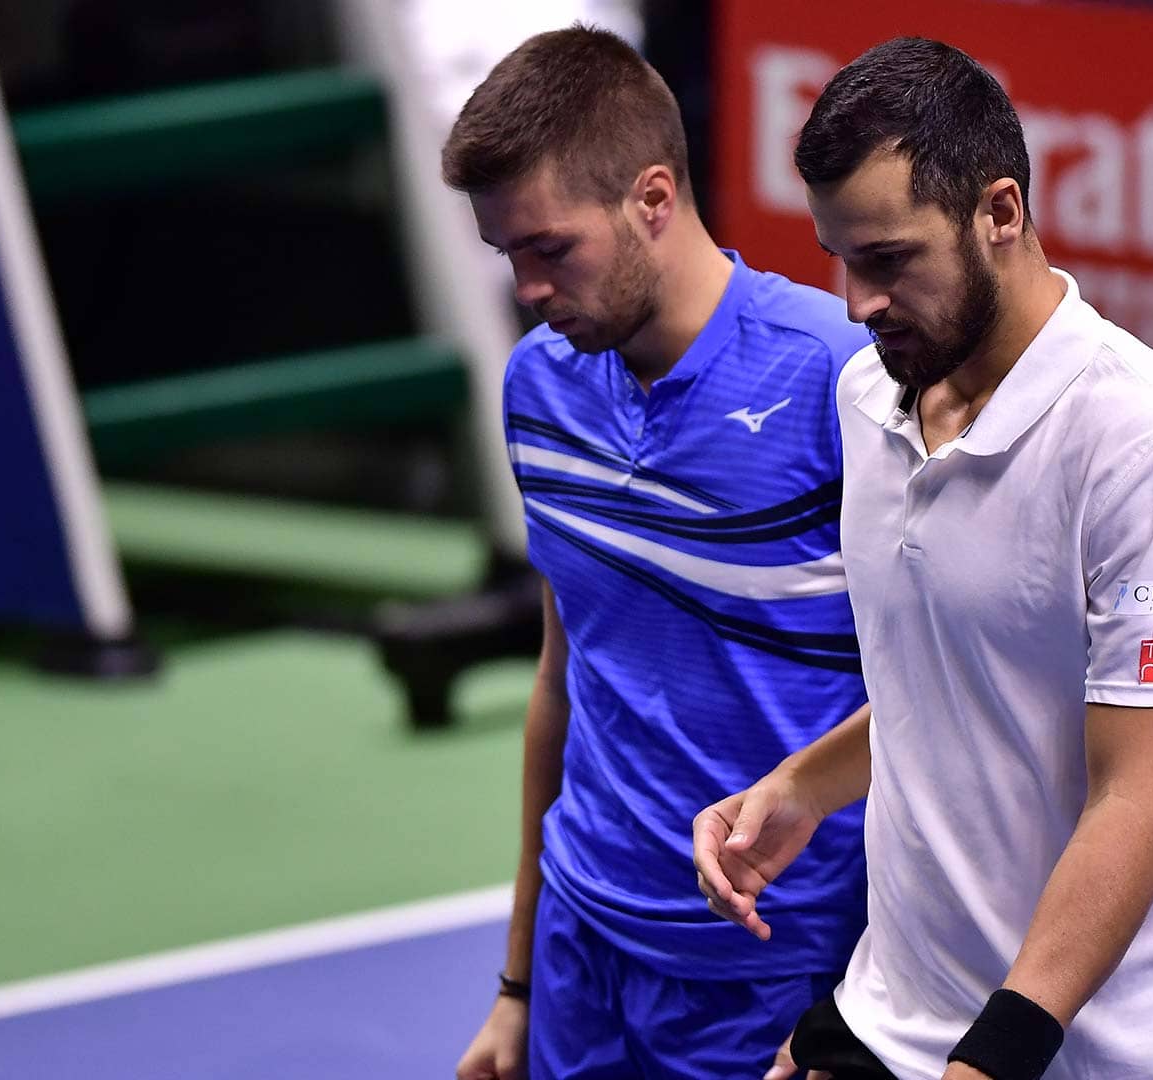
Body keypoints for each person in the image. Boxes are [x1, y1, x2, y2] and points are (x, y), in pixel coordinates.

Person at [694, 37, 1153, 1080]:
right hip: (918, 1026)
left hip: (1137, 1056)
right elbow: (957, 688)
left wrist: (995, 1057)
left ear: (1001, 213)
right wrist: (801, 789)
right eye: (842, 259)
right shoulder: (866, 402)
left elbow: (1137, 803)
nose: (858, 303)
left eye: (889, 260)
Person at [443, 25, 872, 1080]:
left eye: (552, 249)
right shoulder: (537, 390)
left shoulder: (841, 383)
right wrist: (517, 985)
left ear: (651, 199)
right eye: (508, 256)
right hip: (580, 951)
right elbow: (565, 680)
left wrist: (859, 1010)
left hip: (775, 971)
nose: (529, 290)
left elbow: (939, 697)